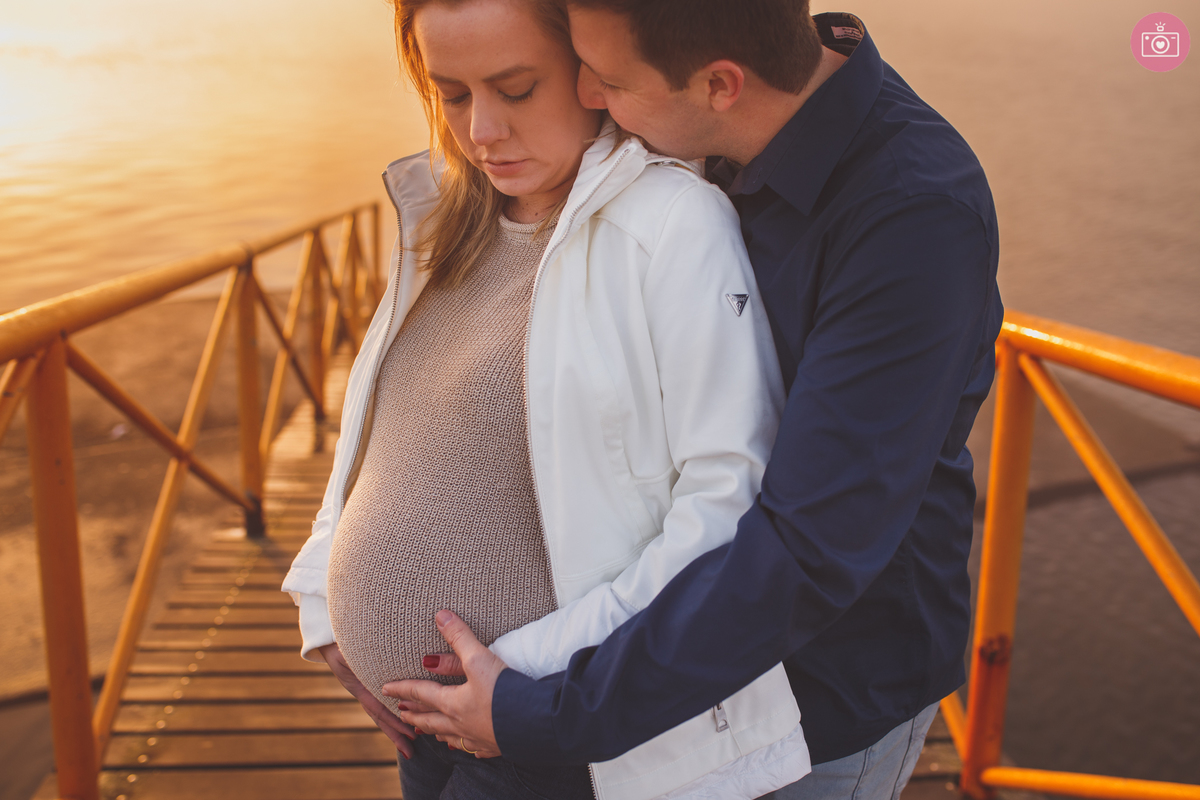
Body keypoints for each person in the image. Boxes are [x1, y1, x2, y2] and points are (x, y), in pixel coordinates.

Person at [388, 2, 1005, 799]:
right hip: (644, 658)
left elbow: (807, 552)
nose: (588, 96)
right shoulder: (694, 131)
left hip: (819, 696)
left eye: (608, 81)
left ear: (720, 85)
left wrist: (545, 714)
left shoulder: (913, 219)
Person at [282, 0, 817, 797]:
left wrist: (515, 681)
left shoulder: (674, 224)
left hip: (549, 738)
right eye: (453, 95)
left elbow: (722, 506)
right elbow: (379, 436)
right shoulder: (445, 215)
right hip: (422, 732)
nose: (481, 131)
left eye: (517, 88)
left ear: (593, 69)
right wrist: (326, 601)